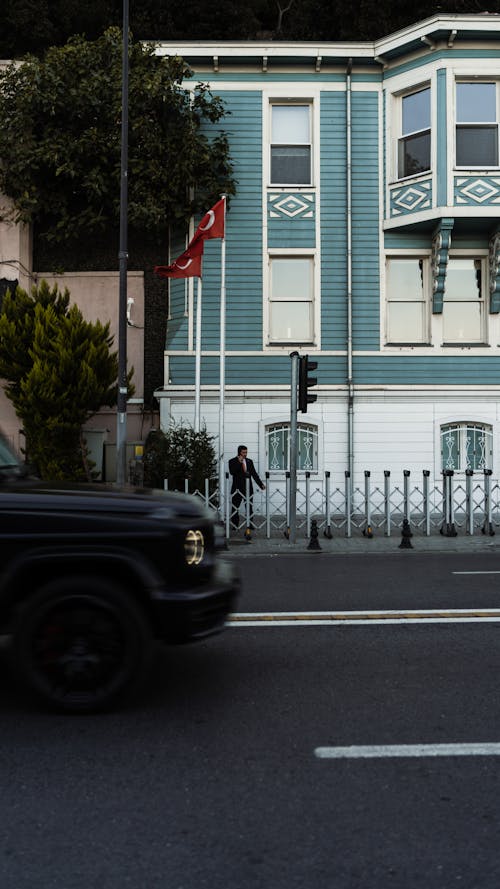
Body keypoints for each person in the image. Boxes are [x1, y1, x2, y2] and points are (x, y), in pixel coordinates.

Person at [228, 445, 265, 530]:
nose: (245, 454)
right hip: (237, 488)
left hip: (248, 488)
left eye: (246, 452)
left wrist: (260, 484)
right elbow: (232, 472)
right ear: (239, 452)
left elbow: (254, 474)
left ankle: (250, 524)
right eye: (243, 452)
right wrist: (239, 462)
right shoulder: (232, 461)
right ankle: (235, 525)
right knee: (235, 507)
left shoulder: (249, 461)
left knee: (249, 507)